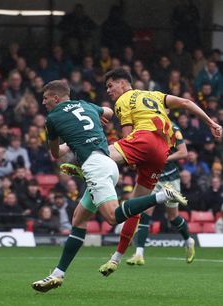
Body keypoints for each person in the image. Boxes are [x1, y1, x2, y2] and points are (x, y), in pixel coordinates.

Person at [31, 80, 186, 293]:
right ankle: (57, 275)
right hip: (109, 163)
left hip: (96, 167)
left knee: (112, 217)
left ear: (56, 98)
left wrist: (71, 141)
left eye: (46, 98)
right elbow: (108, 112)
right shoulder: (87, 105)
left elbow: (56, 154)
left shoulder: (53, 118)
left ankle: (161, 196)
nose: (43, 101)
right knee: (79, 219)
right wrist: (99, 118)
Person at [96, 69, 221, 276]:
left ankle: (77, 168)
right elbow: (187, 103)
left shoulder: (123, 100)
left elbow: (128, 137)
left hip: (144, 141)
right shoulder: (154, 95)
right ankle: (116, 258)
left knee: (97, 159)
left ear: (124, 84)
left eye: (111, 85)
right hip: (161, 153)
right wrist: (212, 123)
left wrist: (129, 161)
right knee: (134, 208)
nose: (108, 90)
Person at [125, 121, 195, 266]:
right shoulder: (144, 125)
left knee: (172, 217)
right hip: (152, 177)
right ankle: (139, 253)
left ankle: (189, 240)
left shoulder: (173, 128)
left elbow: (183, 152)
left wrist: (161, 158)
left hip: (170, 177)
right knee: (145, 213)